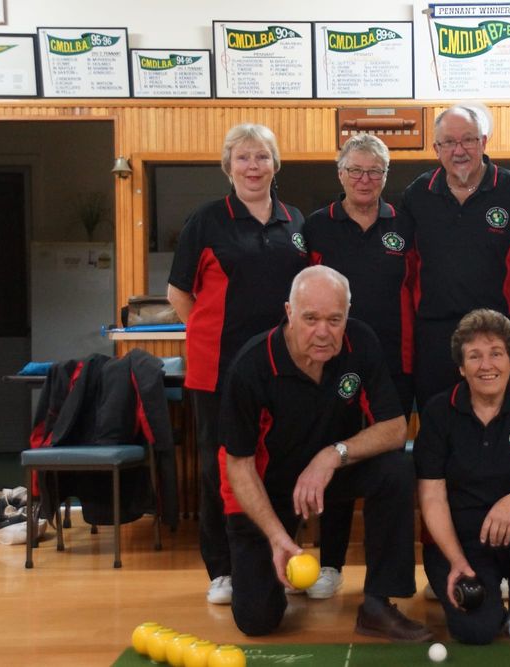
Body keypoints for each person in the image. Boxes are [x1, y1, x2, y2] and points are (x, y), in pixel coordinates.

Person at [218, 266, 432, 641]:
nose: (323, 332)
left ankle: (378, 604)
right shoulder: (251, 367)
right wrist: (275, 536)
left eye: (335, 320)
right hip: (264, 490)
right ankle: (267, 572)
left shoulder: (360, 343)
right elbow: (239, 465)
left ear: (347, 315)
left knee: (396, 470)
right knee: (257, 621)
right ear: (289, 312)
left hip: (329, 475)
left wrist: (330, 456)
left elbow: (396, 428)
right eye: (310, 318)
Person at [167, 123, 307, 606]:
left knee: (282, 463)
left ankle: (286, 556)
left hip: (282, 371)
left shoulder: (295, 222)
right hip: (218, 371)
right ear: (228, 167)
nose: (253, 166)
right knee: (220, 469)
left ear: (275, 164)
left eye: (262, 157)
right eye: (243, 158)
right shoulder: (206, 220)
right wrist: (210, 334)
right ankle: (223, 569)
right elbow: (179, 294)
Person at [302, 135, 416, 600]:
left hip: (395, 365)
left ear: (386, 177)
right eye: (356, 171)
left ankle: (383, 578)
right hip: (332, 367)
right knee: (337, 456)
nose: (365, 180)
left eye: (375, 172)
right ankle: (329, 563)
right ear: (340, 175)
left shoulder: (405, 226)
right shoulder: (315, 228)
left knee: (389, 465)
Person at [414, 309, 510, 644]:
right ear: (461, 367)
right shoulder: (439, 411)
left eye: (496, 354)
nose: (486, 365)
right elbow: (432, 497)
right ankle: (489, 600)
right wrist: (456, 562)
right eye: (475, 356)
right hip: (459, 543)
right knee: (476, 632)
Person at [401, 104, 510, 411]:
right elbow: (402, 270)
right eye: (449, 142)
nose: (459, 150)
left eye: (468, 139)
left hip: (498, 334)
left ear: (484, 142)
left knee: (500, 429)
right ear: (436, 149)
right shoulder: (417, 195)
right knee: (437, 429)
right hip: (435, 336)